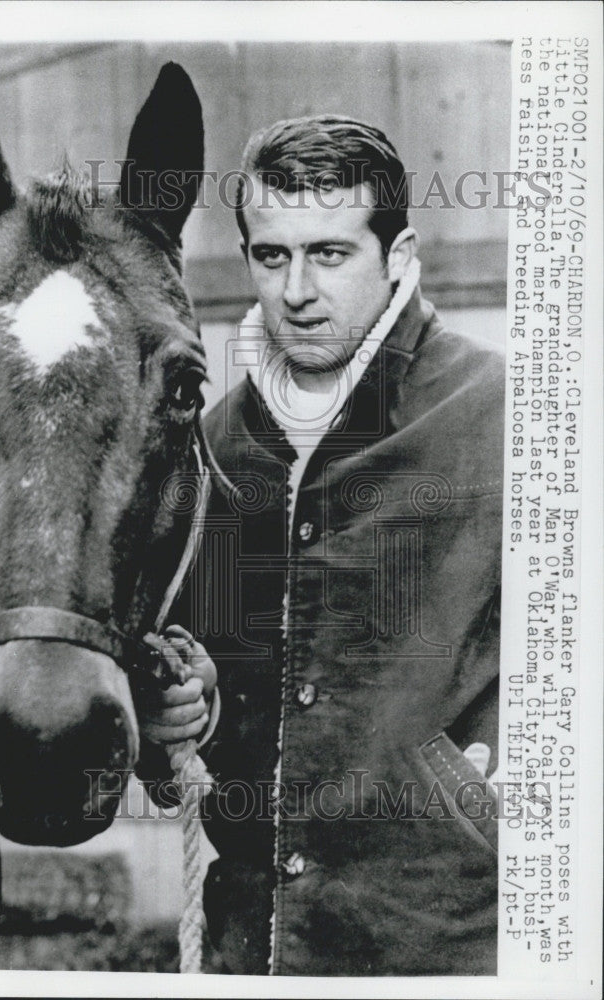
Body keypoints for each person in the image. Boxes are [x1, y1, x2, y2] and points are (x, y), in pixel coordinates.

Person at [135, 115, 504, 976]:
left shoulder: (504, 414)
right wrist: (176, 720)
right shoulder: (214, 445)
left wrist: (489, 794)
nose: (297, 288)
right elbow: (205, 673)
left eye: (330, 254)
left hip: (440, 939)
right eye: (272, 255)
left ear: (398, 253)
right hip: (250, 938)